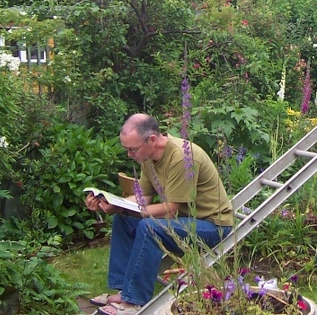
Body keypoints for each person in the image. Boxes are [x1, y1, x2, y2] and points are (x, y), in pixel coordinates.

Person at [85, 113, 234, 314]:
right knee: (123, 219)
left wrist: (124, 207)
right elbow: (143, 198)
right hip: (186, 221)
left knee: (149, 227)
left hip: (212, 226)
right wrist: (110, 203)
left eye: (132, 149)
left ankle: (133, 302)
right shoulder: (149, 158)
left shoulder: (181, 156)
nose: (129, 154)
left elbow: (171, 209)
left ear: (152, 140)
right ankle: (123, 291)